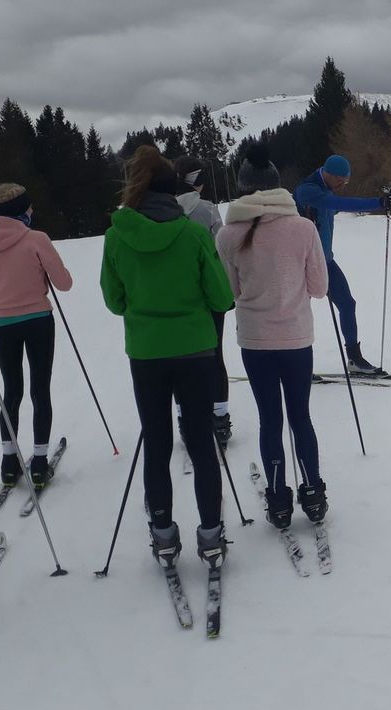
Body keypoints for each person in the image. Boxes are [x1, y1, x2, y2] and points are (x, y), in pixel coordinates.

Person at [100, 145, 234, 570]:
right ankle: (211, 535)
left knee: (156, 443)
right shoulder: (193, 234)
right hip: (195, 350)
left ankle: (163, 536)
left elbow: (114, 300)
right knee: (200, 441)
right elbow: (221, 296)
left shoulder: (117, 235)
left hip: (146, 352)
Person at [216, 145, 330, 528]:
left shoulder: (229, 234)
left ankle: (279, 500)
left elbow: (229, 293)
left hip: (255, 340)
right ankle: (312, 493)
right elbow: (318, 288)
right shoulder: (303, 228)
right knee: (301, 417)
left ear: (244, 186)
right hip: (297, 339)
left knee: (270, 420)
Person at [0, 183, 73, 488]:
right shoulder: (35, 239)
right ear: (20, 211)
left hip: (2, 322)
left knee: (11, 390)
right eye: (29, 207)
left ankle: (8, 461)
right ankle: (39, 462)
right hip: (38, 319)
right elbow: (64, 283)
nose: (32, 211)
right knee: (40, 389)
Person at [293, 154, 391, 375]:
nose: (342, 185)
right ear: (327, 173)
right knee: (299, 312)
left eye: (346, 181)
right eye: (340, 180)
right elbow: (340, 203)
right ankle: (297, 365)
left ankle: (354, 360)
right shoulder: (308, 190)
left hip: (325, 260)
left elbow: (337, 205)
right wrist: (377, 203)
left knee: (347, 304)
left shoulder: (327, 188)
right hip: (302, 263)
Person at [174, 157, 234, 450]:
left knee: (180, 361)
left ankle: (186, 419)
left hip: (177, 297)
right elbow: (220, 253)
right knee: (214, 356)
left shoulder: (162, 210)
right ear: (196, 181)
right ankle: (219, 418)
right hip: (209, 296)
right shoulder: (208, 209)